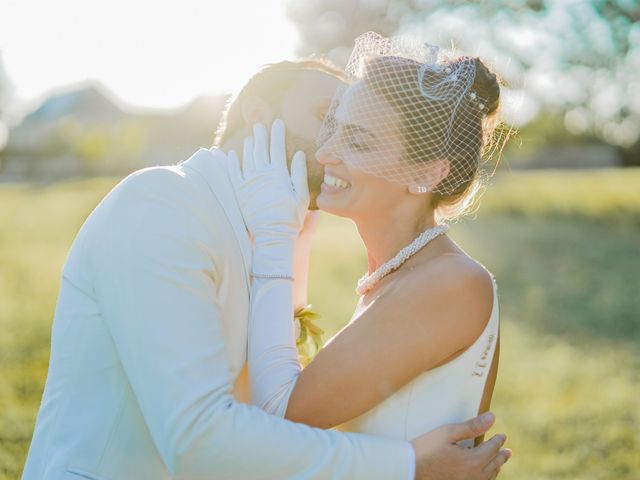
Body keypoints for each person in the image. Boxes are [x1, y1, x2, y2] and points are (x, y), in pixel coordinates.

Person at [22, 57, 509, 480]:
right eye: (326, 119)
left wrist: (289, 236)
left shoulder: (274, 231)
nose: (327, 148)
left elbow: (270, 410)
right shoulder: (163, 202)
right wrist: (405, 467)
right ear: (258, 115)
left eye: (351, 131)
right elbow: (207, 435)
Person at [227, 32, 510, 479]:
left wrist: (275, 233)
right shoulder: (398, 274)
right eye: (333, 128)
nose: (325, 152)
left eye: (356, 141)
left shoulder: (449, 284)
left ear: (426, 173)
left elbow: (277, 413)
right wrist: (302, 223)